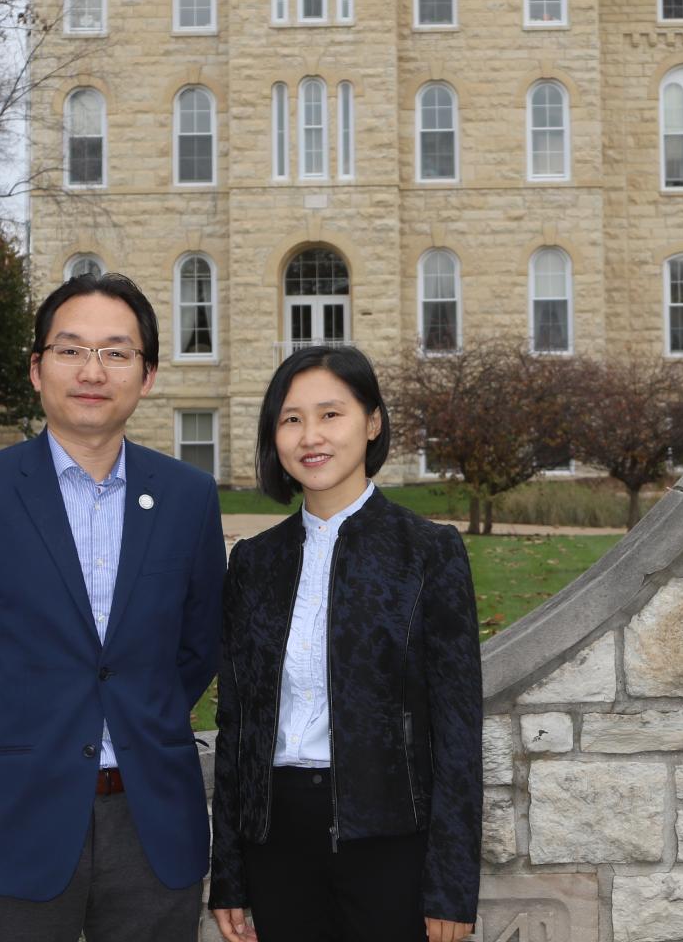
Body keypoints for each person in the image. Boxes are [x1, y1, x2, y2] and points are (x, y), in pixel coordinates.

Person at [0, 271, 225, 942]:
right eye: (71, 349)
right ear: (37, 369)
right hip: (12, 819)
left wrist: (141, 716)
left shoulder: (189, 498)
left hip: (153, 826)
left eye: (116, 351)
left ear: (148, 374)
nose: (92, 370)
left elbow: (200, 644)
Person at [209, 345, 482, 942]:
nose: (311, 436)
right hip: (277, 841)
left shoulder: (427, 551)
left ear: (372, 421)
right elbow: (237, 726)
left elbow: (458, 732)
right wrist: (228, 872)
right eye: (291, 418)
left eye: (331, 414)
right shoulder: (253, 562)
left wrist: (452, 885)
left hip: (388, 842)